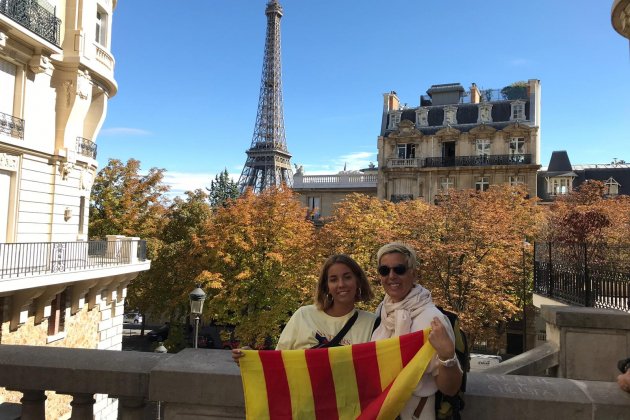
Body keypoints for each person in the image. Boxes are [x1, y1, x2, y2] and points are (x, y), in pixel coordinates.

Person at [371, 242, 463, 420]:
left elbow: (450, 389)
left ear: (413, 274)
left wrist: (447, 354)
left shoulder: (433, 319)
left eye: (399, 269)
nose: (391, 276)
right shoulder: (382, 310)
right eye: (384, 270)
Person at [232, 254, 375, 362]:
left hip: (347, 401)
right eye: (333, 279)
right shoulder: (304, 315)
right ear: (326, 286)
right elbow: (278, 360)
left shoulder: (372, 323)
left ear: (358, 280)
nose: (341, 284)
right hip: (305, 401)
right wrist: (251, 358)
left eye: (347, 277)